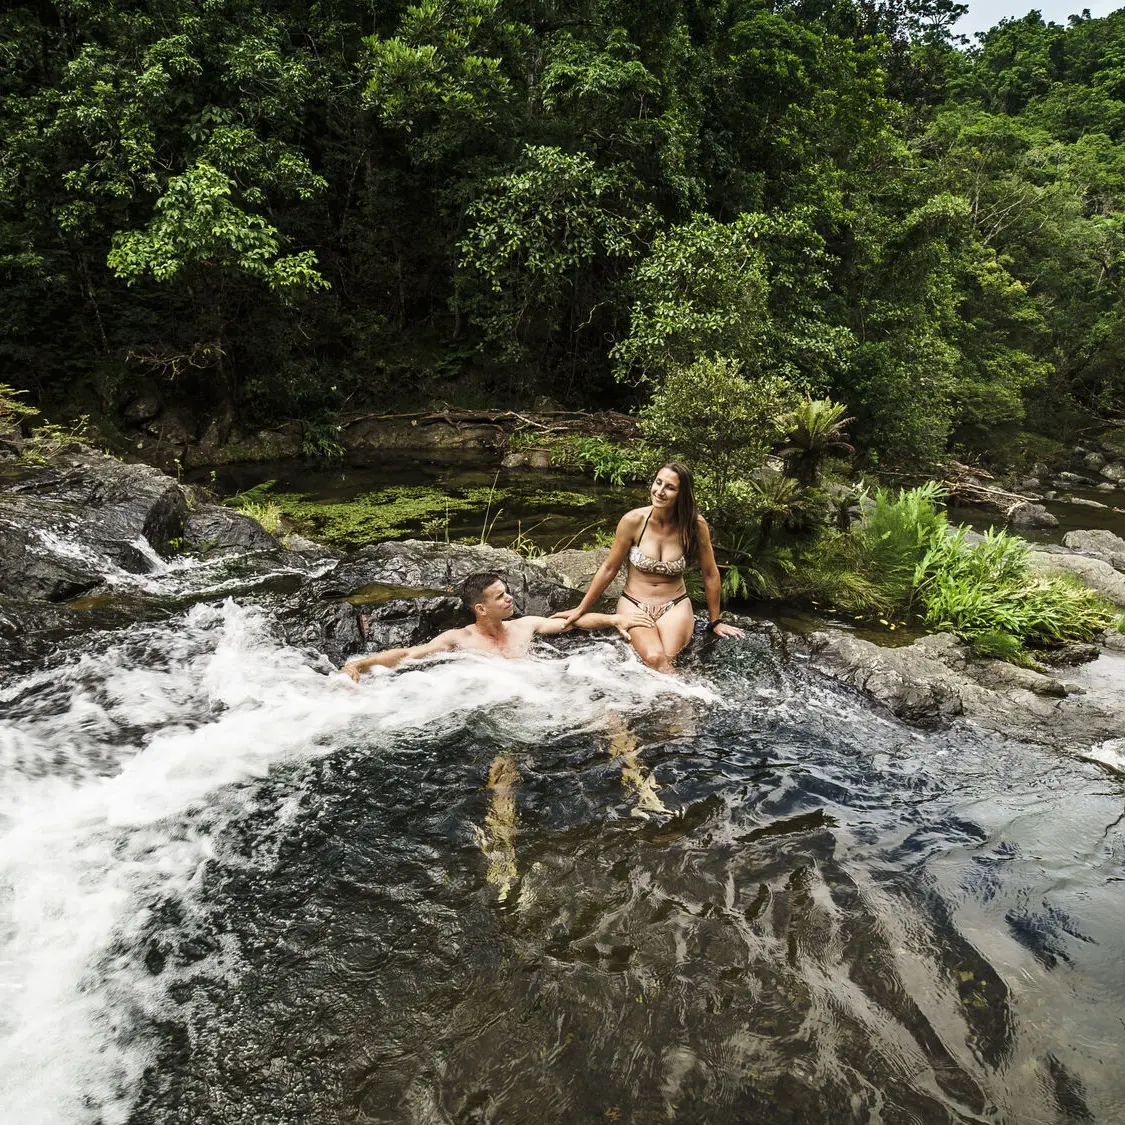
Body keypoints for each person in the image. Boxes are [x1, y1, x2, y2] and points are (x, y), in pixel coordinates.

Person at [553, 461, 743, 673]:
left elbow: (709, 573)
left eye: (669, 487)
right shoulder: (633, 521)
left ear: (682, 494)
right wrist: (581, 609)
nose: (660, 491)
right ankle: (690, 693)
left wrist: (715, 621)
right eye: (658, 482)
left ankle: (680, 692)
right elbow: (609, 568)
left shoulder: (695, 525)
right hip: (634, 604)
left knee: (667, 660)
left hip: (675, 605)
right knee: (654, 658)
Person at [340, 571, 649, 680]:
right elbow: (408, 654)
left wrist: (613, 619)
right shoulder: (459, 639)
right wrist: (359, 665)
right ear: (481, 608)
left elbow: (572, 621)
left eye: (507, 592)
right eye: (500, 596)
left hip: (543, 692)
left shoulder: (525, 626)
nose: (510, 598)